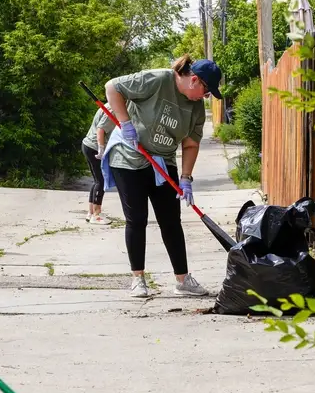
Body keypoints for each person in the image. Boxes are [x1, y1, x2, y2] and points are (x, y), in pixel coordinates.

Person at [102, 55, 223, 298]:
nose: (205, 97)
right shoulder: (158, 79)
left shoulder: (196, 108)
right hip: (129, 156)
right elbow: (112, 87)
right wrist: (126, 123)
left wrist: (186, 178)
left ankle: (183, 280)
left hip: (162, 161)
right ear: (194, 80)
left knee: (171, 221)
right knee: (137, 219)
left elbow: (191, 144)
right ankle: (138, 279)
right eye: (206, 91)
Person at [81, 103, 116, 225]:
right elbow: (101, 129)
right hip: (94, 147)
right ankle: (96, 215)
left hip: (88, 145)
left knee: (97, 180)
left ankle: (90, 213)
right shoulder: (113, 109)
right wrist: (101, 149)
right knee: (101, 181)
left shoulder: (109, 104)